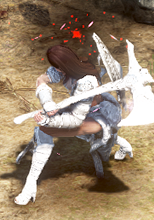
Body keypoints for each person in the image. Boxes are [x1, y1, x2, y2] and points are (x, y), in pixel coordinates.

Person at [14, 45, 134, 205]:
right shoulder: (65, 69)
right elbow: (41, 80)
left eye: (58, 67)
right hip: (79, 108)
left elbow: (75, 120)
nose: (57, 71)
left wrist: (48, 120)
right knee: (44, 131)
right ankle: (30, 185)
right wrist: (47, 102)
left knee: (79, 133)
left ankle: (122, 143)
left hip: (100, 115)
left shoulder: (86, 82)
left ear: (65, 64)